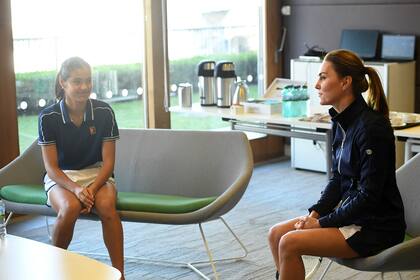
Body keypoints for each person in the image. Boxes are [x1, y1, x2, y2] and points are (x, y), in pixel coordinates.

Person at [268, 49, 406, 280]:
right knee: (276, 234)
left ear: (345, 82)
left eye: (323, 77)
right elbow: (338, 180)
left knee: (289, 242)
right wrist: (314, 215)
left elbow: (369, 197)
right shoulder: (342, 123)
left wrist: (321, 223)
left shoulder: (372, 128)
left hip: (376, 227)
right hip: (354, 218)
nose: (316, 84)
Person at [38, 57, 124, 278]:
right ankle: (56, 271)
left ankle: (120, 274)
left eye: (88, 81)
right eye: (77, 81)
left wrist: (92, 190)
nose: (84, 87)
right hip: (62, 177)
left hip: (97, 174)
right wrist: (77, 190)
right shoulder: (48, 117)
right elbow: (51, 168)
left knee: (107, 208)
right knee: (70, 208)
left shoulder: (104, 112)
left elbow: (109, 163)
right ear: (63, 82)